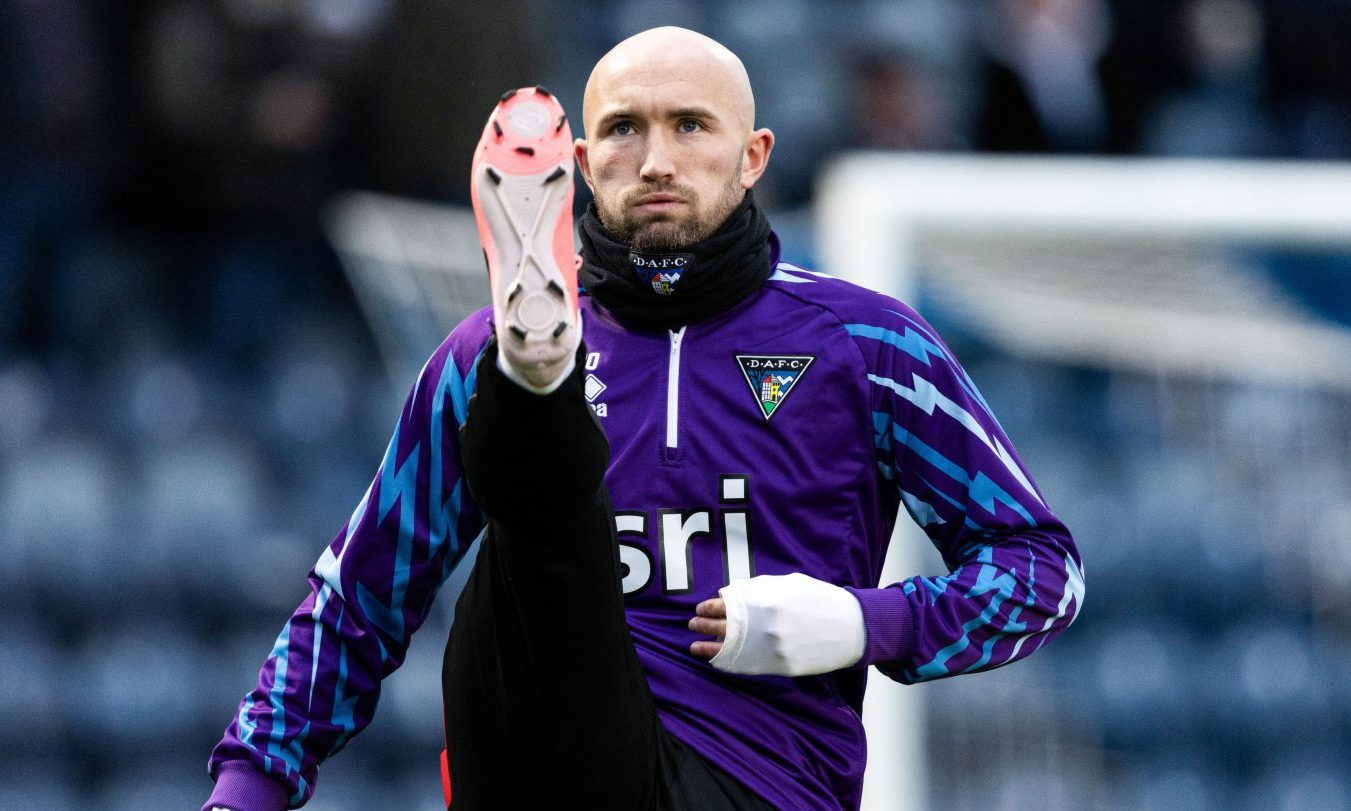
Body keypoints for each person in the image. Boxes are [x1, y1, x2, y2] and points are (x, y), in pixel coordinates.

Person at [204, 26, 1084, 811]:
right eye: (624, 129)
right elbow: (359, 597)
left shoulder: (865, 343)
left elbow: (1044, 570)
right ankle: (543, 369)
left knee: (536, 489)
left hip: (757, 778)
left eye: (690, 126)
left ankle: (540, 383)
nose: (655, 159)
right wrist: (245, 790)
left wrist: (862, 621)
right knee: (535, 532)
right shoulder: (471, 356)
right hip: (545, 758)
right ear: (582, 165)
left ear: (752, 156)